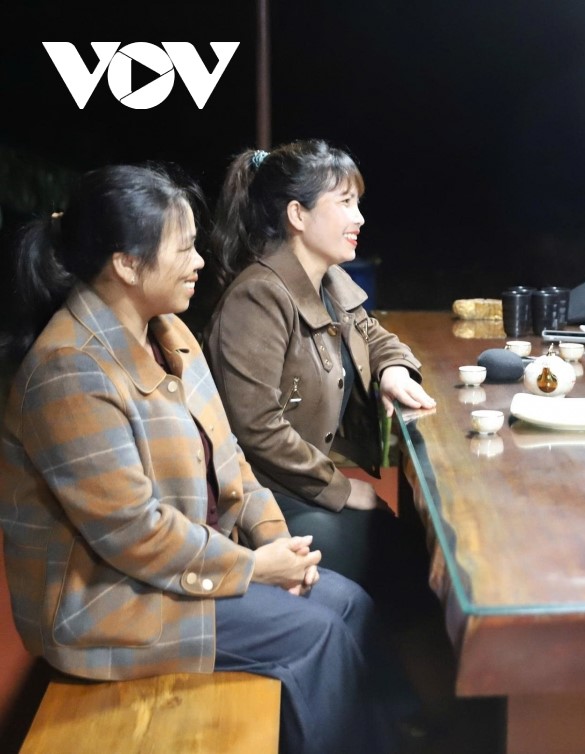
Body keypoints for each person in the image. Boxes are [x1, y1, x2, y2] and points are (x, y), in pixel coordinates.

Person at [0, 165, 417, 752]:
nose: (200, 261)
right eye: (184, 248)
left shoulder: (168, 332)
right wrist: (254, 568)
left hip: (180, 569)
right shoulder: (68, 372)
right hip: (110, 603)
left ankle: (389, 736)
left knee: (348, 600)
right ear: (126, 264)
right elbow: (134, 533)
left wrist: (277, 543)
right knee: (316, 634)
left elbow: (231, 457)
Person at [205, 140, 436, 606]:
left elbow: (373, 334)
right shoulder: (259, 298)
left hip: (302, 482)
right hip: (265, 497)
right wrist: (341, 488)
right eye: (345, 203)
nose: (359, 218)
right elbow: (256, 429)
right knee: (404, 568)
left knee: (418, 553)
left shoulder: (326, 280)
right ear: (298, 214)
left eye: (358, 203)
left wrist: (392, 369)